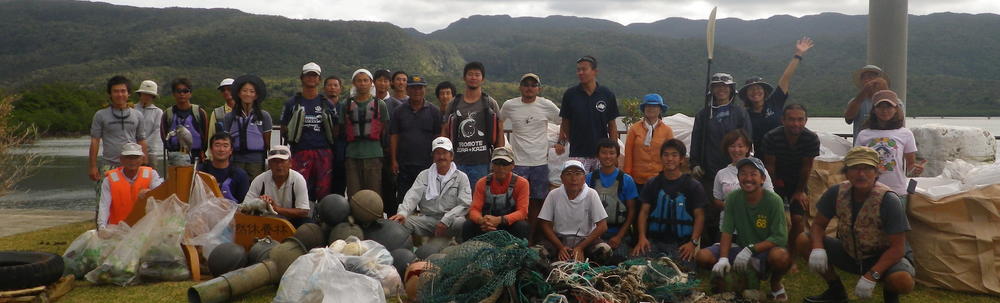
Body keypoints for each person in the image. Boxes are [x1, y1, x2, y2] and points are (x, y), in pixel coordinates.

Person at [797, 146, 915, 303]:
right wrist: (818, 248)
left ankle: (891, 297)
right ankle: (836, 291)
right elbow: (818, 225)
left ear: (876, 172)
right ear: (846, 172)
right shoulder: (836, 192)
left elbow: (897, 249)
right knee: (804, 240)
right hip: (850, 252)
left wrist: (872, 275)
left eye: (867, 168)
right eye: (855, 168)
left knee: (902, 280)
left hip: (883, 256)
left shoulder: (889, 200)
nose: (861, 174)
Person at [696, 157, 791, 301]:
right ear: (738, 177)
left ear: (762, 179)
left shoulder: (774, 200)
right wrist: (722, 258)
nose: (748, 178)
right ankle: (731, 276)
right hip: (740, 247)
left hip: (764, 251)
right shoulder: (733, 198)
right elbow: (727, 230)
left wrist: (751, 249)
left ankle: (775, 283)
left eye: (753, 174)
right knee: (702, 256)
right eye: (743, 174)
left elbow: (780, 237)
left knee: (781, 257)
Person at [691, 72, 752, 243]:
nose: (721, 89)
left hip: (735, 171)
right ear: (712, 90)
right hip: (708, 172)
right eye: (717, 86)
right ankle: (709, 248)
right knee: (709, 211)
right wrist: (694, 163)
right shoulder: (703, 114)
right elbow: (696, 139)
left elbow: (747, 140)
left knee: (734, 208)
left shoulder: (740, 113)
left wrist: (745, 164)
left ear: (732, 90)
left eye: (725, 86)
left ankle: (737, 245)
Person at [499, 73, 561, 243]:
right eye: (526, 84)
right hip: (518, 163)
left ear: (538, 89)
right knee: (515, 202)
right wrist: (500, 148)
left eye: (533, 85)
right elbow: (499, 121)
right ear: (520, 87)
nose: (529, 88)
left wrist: (561, 141)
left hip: (540, 163)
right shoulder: (510, 105)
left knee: (537, 202)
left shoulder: (546, 105)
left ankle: (532, 239)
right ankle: (517, 238)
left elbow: (564, 120)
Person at [631, 139, 706, 269]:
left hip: (681, 245)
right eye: (665, 155)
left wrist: (692, 243)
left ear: (681, 159)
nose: (669, 159)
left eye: (674, 155)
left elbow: (700, 216)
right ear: (661, 158)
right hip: (654, 242)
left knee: (683, 274)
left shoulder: (693, 186)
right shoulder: (652, 184)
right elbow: (643, 212)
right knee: (634, 267)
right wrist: (642, 237)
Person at [760, 103, 820, 264]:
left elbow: (807, 166)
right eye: (791, 119)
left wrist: (800, 191)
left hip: (798, 180)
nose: (796, 123)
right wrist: (771, 191)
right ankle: (767, 250)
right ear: (783, 120)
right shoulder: (771, 137)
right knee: (770, 216)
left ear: (806, 120)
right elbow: (770, 166)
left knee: (798, 219)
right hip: (776, 178)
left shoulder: (811, 138)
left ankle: (792, 255)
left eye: (800, 119)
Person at [739, 37, 813, 148]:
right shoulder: (744, 114)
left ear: (764, 91)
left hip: (784, 151)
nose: (755, 92)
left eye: (758, 88)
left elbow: (785, 78)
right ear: (746, 94)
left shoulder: (775, 101)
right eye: (751, 89)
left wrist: (798, 55)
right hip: (760, 157)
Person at [390, 137, 471, 239]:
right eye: (437, 153)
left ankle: (457, 246)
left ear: (452, 156)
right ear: (433, 156)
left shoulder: (461, 177)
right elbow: (412, 196)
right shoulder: (424, 175)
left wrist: (445, 220)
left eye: (445, 152)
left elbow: (465, 204)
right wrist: (403, 213)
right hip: (428, 220)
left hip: (451, 220)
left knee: (461, 222)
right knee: (403, 222)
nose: (441, 156)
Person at [280, 62, 336, 201]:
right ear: (302, 78)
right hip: (300, 151)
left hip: (323, 151)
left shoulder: (326, 104)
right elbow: (283, 128)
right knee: (300, 189)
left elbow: (336, 128)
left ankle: (321, 218)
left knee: (323, 190)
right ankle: (302, 218)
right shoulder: (291, 103)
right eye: (308, 75)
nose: (311, 78)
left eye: (314, 75)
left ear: (319, 79)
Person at [441, 62, 504, 185]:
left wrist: (499, 157)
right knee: (455, 198)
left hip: (482, 161)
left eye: (477, 74)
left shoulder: (490, 103)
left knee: (479, 199)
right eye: (470, 74)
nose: (473, 77)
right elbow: (445, 130)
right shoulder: (454, 103)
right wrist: (443, 155)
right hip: (457, 161)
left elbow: (500, 129)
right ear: (464, 78)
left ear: (482, 79)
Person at [854, 90, 922, 199]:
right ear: (874, 110)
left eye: (889, 107)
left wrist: (916, 170)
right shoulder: (863, 134)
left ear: (896, 109)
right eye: (880, 107)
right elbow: (856, 164)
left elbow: (910, 166)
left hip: (897, 192)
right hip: (868, 191)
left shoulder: (906, 133)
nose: (884, 111)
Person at [538, 160, 611, 262]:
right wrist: (560, 247)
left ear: (584, 178)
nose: (573, 178)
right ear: (562, 178)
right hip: (559, 240)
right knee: (536, 253)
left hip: (586, 241)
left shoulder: (591, 194)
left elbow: (602, 226)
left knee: (605, 251)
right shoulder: (553, 194)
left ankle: (587, 265)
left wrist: (580, 247)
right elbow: (544, 223)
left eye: (578, 174)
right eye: (568, 174)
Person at [390, 75, 443, 216]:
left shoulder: (434, 111)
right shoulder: (399, 111)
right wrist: (394, 160)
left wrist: (437, 160)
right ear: (407, 89)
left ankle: (425, 234)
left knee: (428, 204)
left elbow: (439, 137)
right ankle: (406, 235)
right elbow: (394, 136)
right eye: (413, 88)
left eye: (420, 88)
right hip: (405, 165)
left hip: (427, 166)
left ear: (425, 89)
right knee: (405, 202)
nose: (416, 91)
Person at [559, 55, 619, 172]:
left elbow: (612, 125)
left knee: (601, 187)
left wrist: (614, 152)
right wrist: (573, 140)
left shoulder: (607, 94)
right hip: (577, 153)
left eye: (584, 69)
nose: (580, 73)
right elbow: (565, 122)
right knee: (577, 187)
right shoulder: (570, 95)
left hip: (601, 154)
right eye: (578, 70)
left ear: (595, 71)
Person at [712, 129, 773, 240]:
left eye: (740, 146)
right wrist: (731, 206)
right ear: (727, 148)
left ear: (747, 148)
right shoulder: (721, 174)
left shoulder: (760, 170)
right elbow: (717, 199)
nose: (736, 150)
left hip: (754, 225)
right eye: (732, 146)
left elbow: (770, 194)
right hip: (728, 227)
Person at [586, 139, 639, 262]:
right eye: (604, 153)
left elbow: (631, 212)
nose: (607, 156)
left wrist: (619, 237)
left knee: (618, 260)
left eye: (611, 153)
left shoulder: (627, 180)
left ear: (617, 156)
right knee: (594, 260)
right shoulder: (589, 179)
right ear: (598, 155)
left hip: (619, 234)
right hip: (594, 234)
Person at [340, 69, 390, 197]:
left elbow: (384, 128)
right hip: (352, 155)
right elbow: (342, 127)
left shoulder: (381, 105)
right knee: (354, 194)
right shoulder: (345, 105)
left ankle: (375, 217)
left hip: (373, 155)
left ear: (371, 83)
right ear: (354, 83)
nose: (362, 83)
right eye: (359, 81)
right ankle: (353, 217)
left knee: (373, 195)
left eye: (365, 80)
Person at [464, 146, 531, 240]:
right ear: (492, 165)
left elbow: (523, 212)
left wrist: (499, 220)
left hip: (508, 225)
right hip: (487, 225)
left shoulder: (522, 183)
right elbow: (474, 210)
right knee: (468, 225)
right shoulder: (481, 183)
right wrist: (482, 221)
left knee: (522, 226)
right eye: (497, 163)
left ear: (512, 165)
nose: (501, 167)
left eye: (505, 163)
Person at [89, 76, 148, 182]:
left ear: (128, 93)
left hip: (133, 166)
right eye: (115, 91)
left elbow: (141, 139)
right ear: (109, 94)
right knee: (105, 197)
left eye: (123, 91)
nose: (120, 94)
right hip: (109, 165)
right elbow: (95, 141)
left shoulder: (137, 115)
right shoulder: (100, 115)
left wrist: (144, 163)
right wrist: (93, 166)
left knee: (135, 197)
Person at [97, 142, 162, 232]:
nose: (132, 161)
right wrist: (102, 227)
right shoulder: (109, 180)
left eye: (135, 157)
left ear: (142, 159)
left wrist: (149, 193)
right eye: (128, 157)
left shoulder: (152, 175)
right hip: (118, 229)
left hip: (145, 229)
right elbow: (104, 205)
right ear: (121, 159)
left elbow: (161, 197)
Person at [245, 145, 311, 227]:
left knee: (307, 224)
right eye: (275, 161)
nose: (279, 165)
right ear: (269, 164)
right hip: (266, 221)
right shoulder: (260, 180)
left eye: (282, 161)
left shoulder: (298, 179)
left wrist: (276, 209)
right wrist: (259, 202)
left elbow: (304, 211)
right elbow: (245, 206)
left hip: (292, 222)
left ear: (290, 163)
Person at [223, 75, 273, 177]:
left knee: (256, 188)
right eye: (244, 91)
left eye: (251, 91)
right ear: (239, 94)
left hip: (256, 161)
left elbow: (267, 142)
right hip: (236, 159)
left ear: (256, 95)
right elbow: (225, 141)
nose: (248, 94)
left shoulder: (264, 116)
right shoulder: (229, 117)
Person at [623, 93, 674, 192]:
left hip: (659, 180)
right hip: (636, 181)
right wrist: (627, 177)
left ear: (660, 109)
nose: (651, 108)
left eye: (655, 106)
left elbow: (670, 156)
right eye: (648, 106)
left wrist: (668, 177)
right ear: (644, 109)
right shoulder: (634, 129)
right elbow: (628, 155)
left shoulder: (667, 131)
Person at [843, 65, 906, 141]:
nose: (868, 80)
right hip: (863, 149)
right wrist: (862, 94)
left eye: (871, 77)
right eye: (864, 78)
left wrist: (885, 91)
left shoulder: (896, 101)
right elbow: (848, 119)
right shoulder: (855, 101)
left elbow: (900, 120)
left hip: (890, 146)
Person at [161, 78, 209, 166]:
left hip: (196, 157)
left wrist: (203, 151)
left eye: (185, 91)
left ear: (190, 93)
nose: (182, 94)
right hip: (175, 157)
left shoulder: (200, 113)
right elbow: (164, 136)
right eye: (178, 91)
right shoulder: (167, 114)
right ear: (173, 94)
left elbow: (206, 135)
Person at [197, 132, 251, 203]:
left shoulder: (240, 175)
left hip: (231, 212)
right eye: (217, 145)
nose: (221, 149)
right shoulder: (199, 171)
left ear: (231, 150)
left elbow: (244, 204)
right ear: (210, 149)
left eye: (225, 146)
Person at [324, 75, 348, 196]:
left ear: (340, 88)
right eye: (329, 85)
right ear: (324, 88)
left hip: (340, 152)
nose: (332, 88)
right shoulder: (320, 106)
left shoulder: (346, 107)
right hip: (323, 150)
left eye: (335, 85)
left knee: (339, 186)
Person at [134, 80, 163, 170]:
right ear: (140, 94)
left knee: (151, 178)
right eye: (144, 94)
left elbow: (157, 131)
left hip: (151, 152)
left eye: (149, 95)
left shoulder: (158, 112)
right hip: (132, 151)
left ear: (153, 96)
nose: (146, 97)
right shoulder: (131, 109)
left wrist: (144, 147)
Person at [207, 78, 235, 144]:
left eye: (229, 89)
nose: (226, 92)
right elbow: (211, 135)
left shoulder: (245, 111)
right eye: (223, 90)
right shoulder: (216, 113)